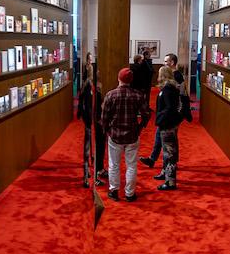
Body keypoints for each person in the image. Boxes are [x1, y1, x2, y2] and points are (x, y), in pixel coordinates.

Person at [100, 66, 149, 201]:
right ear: (131, 80)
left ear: (119, 78)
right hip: (132, 134)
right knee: (131, 165)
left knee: (114, 165)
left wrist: (106, 130)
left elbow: (104, 117)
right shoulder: (138, 95)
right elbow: (146, 114)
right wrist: (140, 127)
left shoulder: (111, 95)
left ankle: (114, 191)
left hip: (115, 135)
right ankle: (129, 193)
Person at [151, 65, 190, 191]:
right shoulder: (170, 88)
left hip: (167, 124)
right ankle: (166, 175)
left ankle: (170, 182)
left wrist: (159, 119)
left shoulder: (167, 90)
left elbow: (169, 108)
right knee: (169, 152)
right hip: (169, 124)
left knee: (169, 154)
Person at [143, 54, 181, 166]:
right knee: (159, 138)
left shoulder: (174, 80)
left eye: (166, 61)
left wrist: (160, 117)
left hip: (168, 119)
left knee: (169, 144)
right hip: (165, 119)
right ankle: (153, 159)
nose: (164, 63)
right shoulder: (168, 85)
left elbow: (173, 104)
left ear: (172, 62)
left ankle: (169, 165)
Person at [77, 63, 106, 184]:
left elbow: (81, 104)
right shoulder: (92, 87)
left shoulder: (87, 86)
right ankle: (89, 175)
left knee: (89, 148)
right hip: (93, 121)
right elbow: (88, 105)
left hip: (90, 120)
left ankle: (88, 173)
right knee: (91, 147)